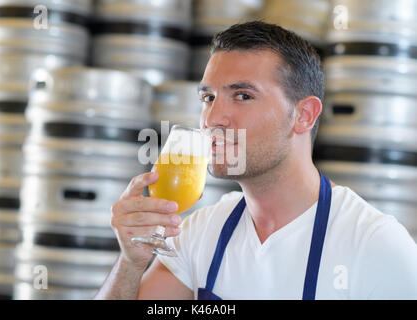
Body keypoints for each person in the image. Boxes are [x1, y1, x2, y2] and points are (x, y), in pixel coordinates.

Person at [95, 21, 417, 300]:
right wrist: (130, 263)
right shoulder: (200, 233)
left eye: (243, 96)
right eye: (208, 98)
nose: (212, 118)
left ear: (303, 115)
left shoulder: (377, 247)